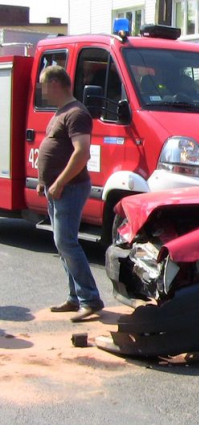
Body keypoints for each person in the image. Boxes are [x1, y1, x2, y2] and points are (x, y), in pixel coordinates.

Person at [37, 65, 104, 322]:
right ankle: (74, 297)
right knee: (61, 243)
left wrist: (60, 182)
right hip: (58, 188)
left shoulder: (76, 113)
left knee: (67, 243)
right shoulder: (61, 113)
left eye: (43, 85)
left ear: (55, 84)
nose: (42, 91)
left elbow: (82, 152)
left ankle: (90, 299)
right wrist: (45, 181)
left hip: (70, 188)